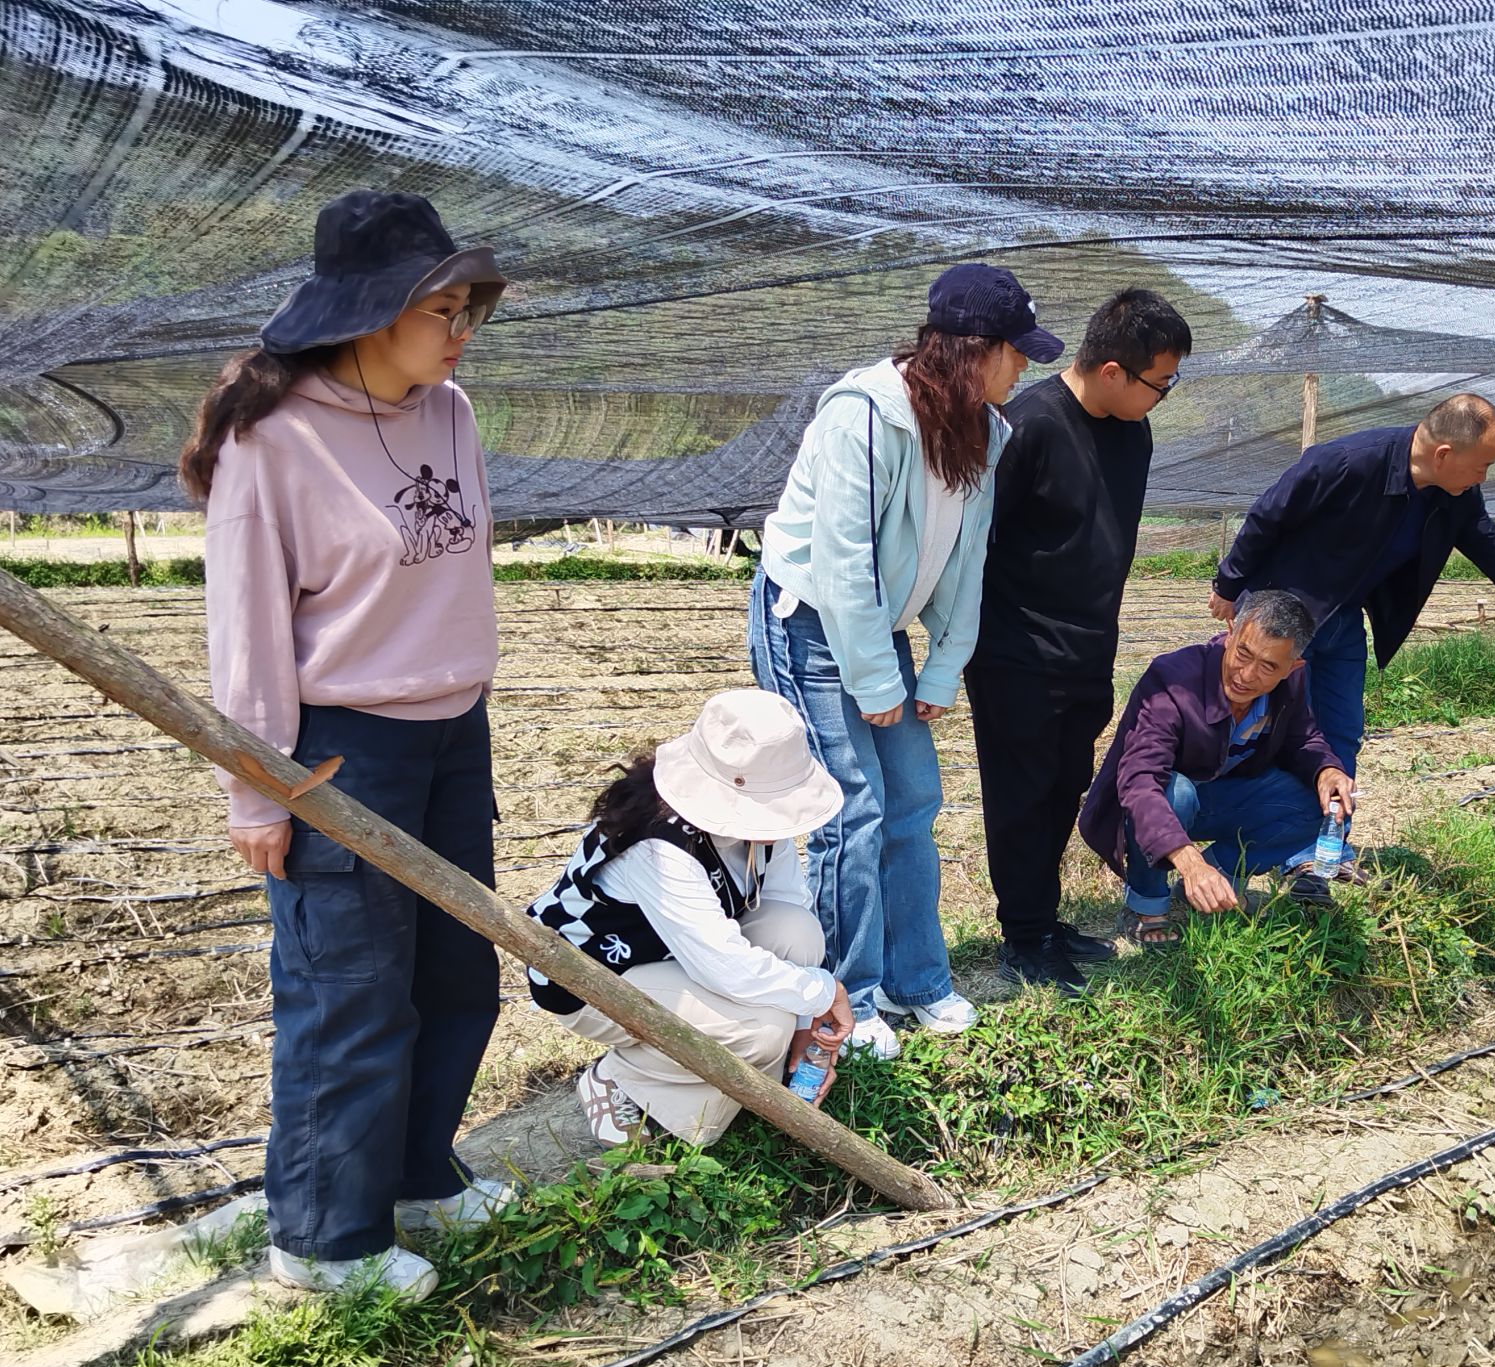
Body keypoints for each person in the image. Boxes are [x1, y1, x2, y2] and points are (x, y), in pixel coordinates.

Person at [185, 190, 510, 1302]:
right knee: (350, 992)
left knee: (457, 972)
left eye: (468, 311)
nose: (461, 332)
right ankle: (325, 1242)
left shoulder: (451, 412)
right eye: (441, 311)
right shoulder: (271, 443)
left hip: (453, 733)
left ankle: (417, 1174)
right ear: (371, 313)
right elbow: (247, 632)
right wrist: (257, 791)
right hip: (341, 750)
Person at [749, 264, 1063, 1058]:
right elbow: (844, 560)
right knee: (850, 810)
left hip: (876, 622)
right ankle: (844, 1001)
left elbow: (965, 559)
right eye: (1017, 353)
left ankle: (915, 980)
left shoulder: (985, 431)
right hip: (808, 617)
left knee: (915, 798)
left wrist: (941, 669)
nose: (1023, 370)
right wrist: (875, 680)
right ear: (975, 349)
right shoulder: (863, 415)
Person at [966, 288, 1194, 995]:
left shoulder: (1132, 432)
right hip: (1017, 653)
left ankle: (1043, 918)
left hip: (1089, 649)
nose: (1164, 396)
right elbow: (974, 546)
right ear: (1113, 372)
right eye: (1161, 382)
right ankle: (1024, 937)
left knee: (1065, 787)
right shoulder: (1026, 426)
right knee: (1022, 796)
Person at [1209, 393, 1495, 777]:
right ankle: (1238, 818)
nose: (1483, 477)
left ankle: (1327, 825)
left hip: (1341, 622)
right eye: (1482, 466)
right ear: (1443, 455)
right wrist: (1229, 585)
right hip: (1279, 619)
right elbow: (1268, 515)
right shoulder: (1348, 462)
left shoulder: (1455, 497)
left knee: (1341, 734)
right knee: (1262, 729)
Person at [526, 691, 856, 1146]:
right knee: (760, 1030)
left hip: (673, 954)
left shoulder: (756, 826)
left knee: (796, 930)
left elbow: (789, 905)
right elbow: (723, 966)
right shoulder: (659, 845)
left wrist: (805, 1026)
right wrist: (823, 993)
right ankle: (624, 1079)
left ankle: (730, 1072)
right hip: (593, 977)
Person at [1077, 590, 1355, 946]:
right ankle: (1146, 904)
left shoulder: (1292, 684)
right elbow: (1139, 781)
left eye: (1268, 666)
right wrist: (1189, 860)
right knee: (1175, 792)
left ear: (1293, 667)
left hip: (1219, 795)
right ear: (1230, 631)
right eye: (1243, 653)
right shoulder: (1173, 679)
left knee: (1326, 804)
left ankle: (1217, 881)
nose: (1247, 675)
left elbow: (1303, 738)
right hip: (1156, 804)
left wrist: (1326, 769)